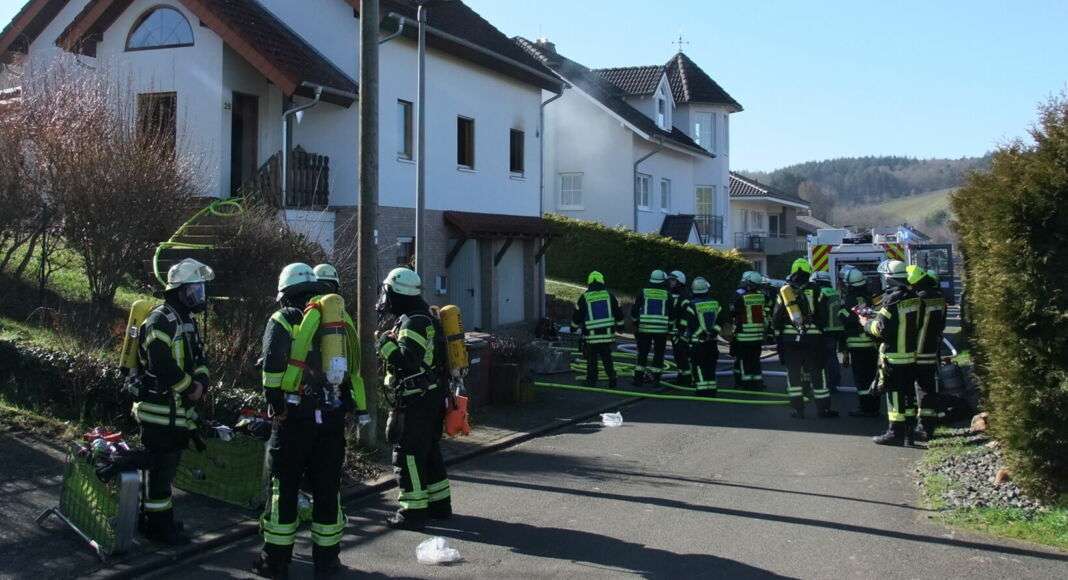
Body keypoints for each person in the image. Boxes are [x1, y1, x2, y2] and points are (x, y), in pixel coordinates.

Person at [256, 263, 352, 578]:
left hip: (294, 418)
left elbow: (272, 367)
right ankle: (327, 562)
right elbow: (350, 368)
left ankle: (276, 562)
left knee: (283, 488)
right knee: (327, 488)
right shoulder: (336, 320)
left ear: (285, 292)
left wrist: (275, 403)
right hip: (331, 417)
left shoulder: (283, 319)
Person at [131, 258, 213, 545]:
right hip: (158, 413)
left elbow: (199, 358)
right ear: (179, 290)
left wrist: (202, 383)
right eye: (195, 291)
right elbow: (160, 363)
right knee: (158, 475)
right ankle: (156, 528)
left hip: (176, 414)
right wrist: (191, 388)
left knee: (165, 475)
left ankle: (162, 523)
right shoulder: (160, 320)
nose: (199, 297)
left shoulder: (186, 322)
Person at [376, 267, 451, 530]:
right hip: (430, 397)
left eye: (388, 292)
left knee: (407, 454)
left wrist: (384, 343)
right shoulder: (422, 316)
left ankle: (413, 511)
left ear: (397, 293)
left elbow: (408, 361)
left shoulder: (414, 321)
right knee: (428, 451)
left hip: (417, 400)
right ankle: (440, 505)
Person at [861, 260, 924, 446]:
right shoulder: (915, 297)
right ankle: (909, 434)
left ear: (889, 279)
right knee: (908, 395)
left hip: (894, 356)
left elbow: (880, 329)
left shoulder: (891, 300)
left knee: (894, 395)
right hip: (911, 354)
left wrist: (865, 323)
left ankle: (894, 432)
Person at [772, 258, 838, 418]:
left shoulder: (785, 291)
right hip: (813, 340)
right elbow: (823, 314)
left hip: (790, 340)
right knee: (817, 373)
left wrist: (777, 333)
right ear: (809, 272)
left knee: (793, 374)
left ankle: (797, 409)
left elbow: (777, 316)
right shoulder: (817, 289)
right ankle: (823, 409)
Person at [313, 263, 368, 418]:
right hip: (340, 388)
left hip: (311, 389)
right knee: (334, 437)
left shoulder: (308, 312)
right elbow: (354, 358)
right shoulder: (344, 317)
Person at [910, 266, 947, 437]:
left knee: (921, 387)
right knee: (930, 385)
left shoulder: (920, 299)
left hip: (919, 349)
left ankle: (924, 427)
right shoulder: (939, 297)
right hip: (933, 347)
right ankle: (930, 421)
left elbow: (913, 325)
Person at [839, 266, 881, 417]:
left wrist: (841, 312)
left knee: (861, 378)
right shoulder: (870, 296)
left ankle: (865, 408)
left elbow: (846, 319)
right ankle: (874, 406)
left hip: (857, 344)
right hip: (871, 342)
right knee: (872, 375)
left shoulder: (850, 298)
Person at [571, 271, 625, 387]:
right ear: (602, 281)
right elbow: (618, 314)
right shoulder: (610, 296)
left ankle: (591, 381)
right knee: (607, 358)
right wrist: (620, 328)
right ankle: (612, 379)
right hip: (606, 335)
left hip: (591, 336)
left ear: (589, 282)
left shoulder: (584, 297)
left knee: (592, 360)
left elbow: (577, 315)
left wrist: (573, 328)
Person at [630, 269, 671, 386]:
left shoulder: (643, 292)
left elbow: (634, 310)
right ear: (663, 281)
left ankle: (638, 379)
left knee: (642, 353)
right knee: (658, 355)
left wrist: (636, 323)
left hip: (644, 329)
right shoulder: (667, 295)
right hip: (661, 330)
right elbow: (672, 314)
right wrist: (670, 326)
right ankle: (656, 380)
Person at [730, 271, 768, 389]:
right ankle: (757, 382)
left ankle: (745, 382)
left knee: (743, 360)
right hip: (757, 335)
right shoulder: (762, 296)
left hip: (744, 335)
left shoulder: (740, 296)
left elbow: (732, 312)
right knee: (755, 360)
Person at [685, 277, 722, 396]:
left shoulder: (691, 305)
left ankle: (702, 389)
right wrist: (713, 333)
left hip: (698, 342)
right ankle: (712, 389)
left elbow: (691, 324)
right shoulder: (715, 303)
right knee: (711, 365)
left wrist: (702, 334)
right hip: (712, 341)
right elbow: (720, 321)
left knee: (698, 366)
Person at [812, 271, 846, 392]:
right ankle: (835, 381)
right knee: (833, 357)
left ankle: (828, 383)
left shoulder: (821, 293)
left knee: (825, 358)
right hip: (837, 329)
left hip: (826, 330)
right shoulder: (835, 292)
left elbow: (820, 312)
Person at [667, 270, 692, 386]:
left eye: (673, 280)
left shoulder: (685, 296)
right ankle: (682, 377)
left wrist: (681, 330)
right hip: (675, 330)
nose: (671, 282)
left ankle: (686, 379)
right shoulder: (671, 294)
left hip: (682, 332)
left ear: (680, 282)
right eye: (670, 280)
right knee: (678, 355)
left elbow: (685, 316)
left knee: (682, 354)